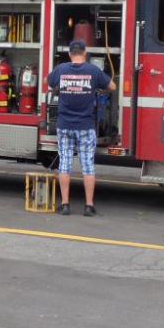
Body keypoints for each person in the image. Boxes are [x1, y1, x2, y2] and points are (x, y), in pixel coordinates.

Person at [47, 39, 116, 216]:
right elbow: (112, 87)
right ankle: (89, 206)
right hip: (86, 126)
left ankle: (65, 205)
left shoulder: (61, 69)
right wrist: (97, 88)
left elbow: (48, 81)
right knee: (88, 166)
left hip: (64, 125)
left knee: (65, 165)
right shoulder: (93, 71)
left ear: (70, 53)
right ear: (84, 53)